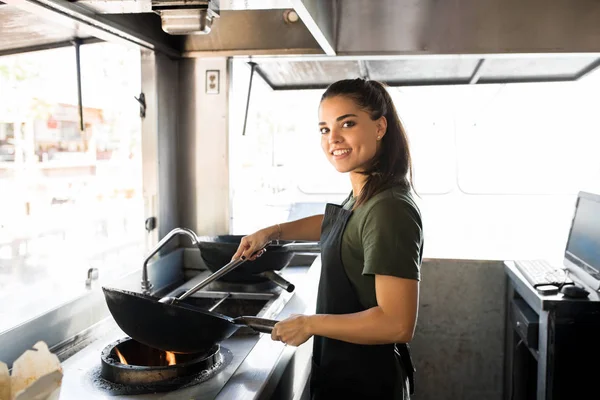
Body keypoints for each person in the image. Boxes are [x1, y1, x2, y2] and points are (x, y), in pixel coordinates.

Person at [232, 78, 424, 400]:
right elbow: (342, 226)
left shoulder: (389, 208)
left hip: (367, 383)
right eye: (324, 129)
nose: (333, 138)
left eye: (347, 123)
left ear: (379, 127)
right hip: (345, 372)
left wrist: (309, 324)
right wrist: (273, 232)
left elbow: (397, 323)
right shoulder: (367, 193)